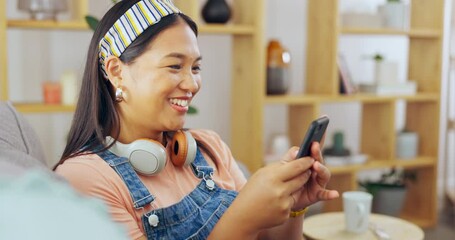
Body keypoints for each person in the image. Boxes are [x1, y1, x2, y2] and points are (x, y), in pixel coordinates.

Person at [53, 0, 339, 239]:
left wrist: (293, 207)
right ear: (116, 71)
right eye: (175, 66)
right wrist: (243, 219)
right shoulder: (83, 179)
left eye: (196, 67)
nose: (192, 84)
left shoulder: (208, 147)